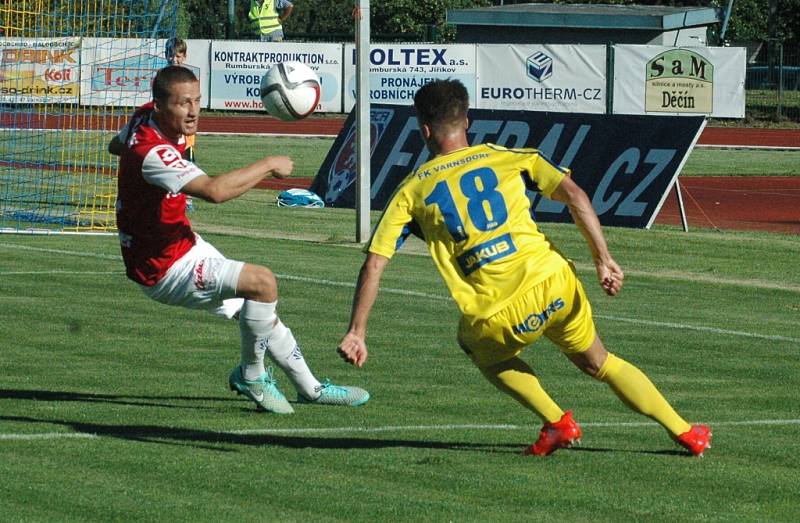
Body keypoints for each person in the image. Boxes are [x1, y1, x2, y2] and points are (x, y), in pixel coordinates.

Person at [337, 79, 711, 456]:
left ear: (425, 130)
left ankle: (556, 422)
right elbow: (576, 196)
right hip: (555, 284)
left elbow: (374, 265)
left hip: (497, 313)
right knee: (600, 362)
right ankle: (686, 432)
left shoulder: (410, 192)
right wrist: (603, 259)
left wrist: (357, 331)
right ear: (466, 121)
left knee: (473, 346)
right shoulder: (511, 157)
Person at [109, 65, 369, 413]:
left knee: (260, 313)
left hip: (180, 243)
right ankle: (252, 375)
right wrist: (268, 164)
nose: (193, 111)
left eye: (197, 100)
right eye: (183, 103)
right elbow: (214, 191)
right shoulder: (153, 152)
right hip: (163, 267)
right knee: (262, 283)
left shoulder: (144, 120)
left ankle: (312, 389)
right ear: (159, 106)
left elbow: (116, 144)